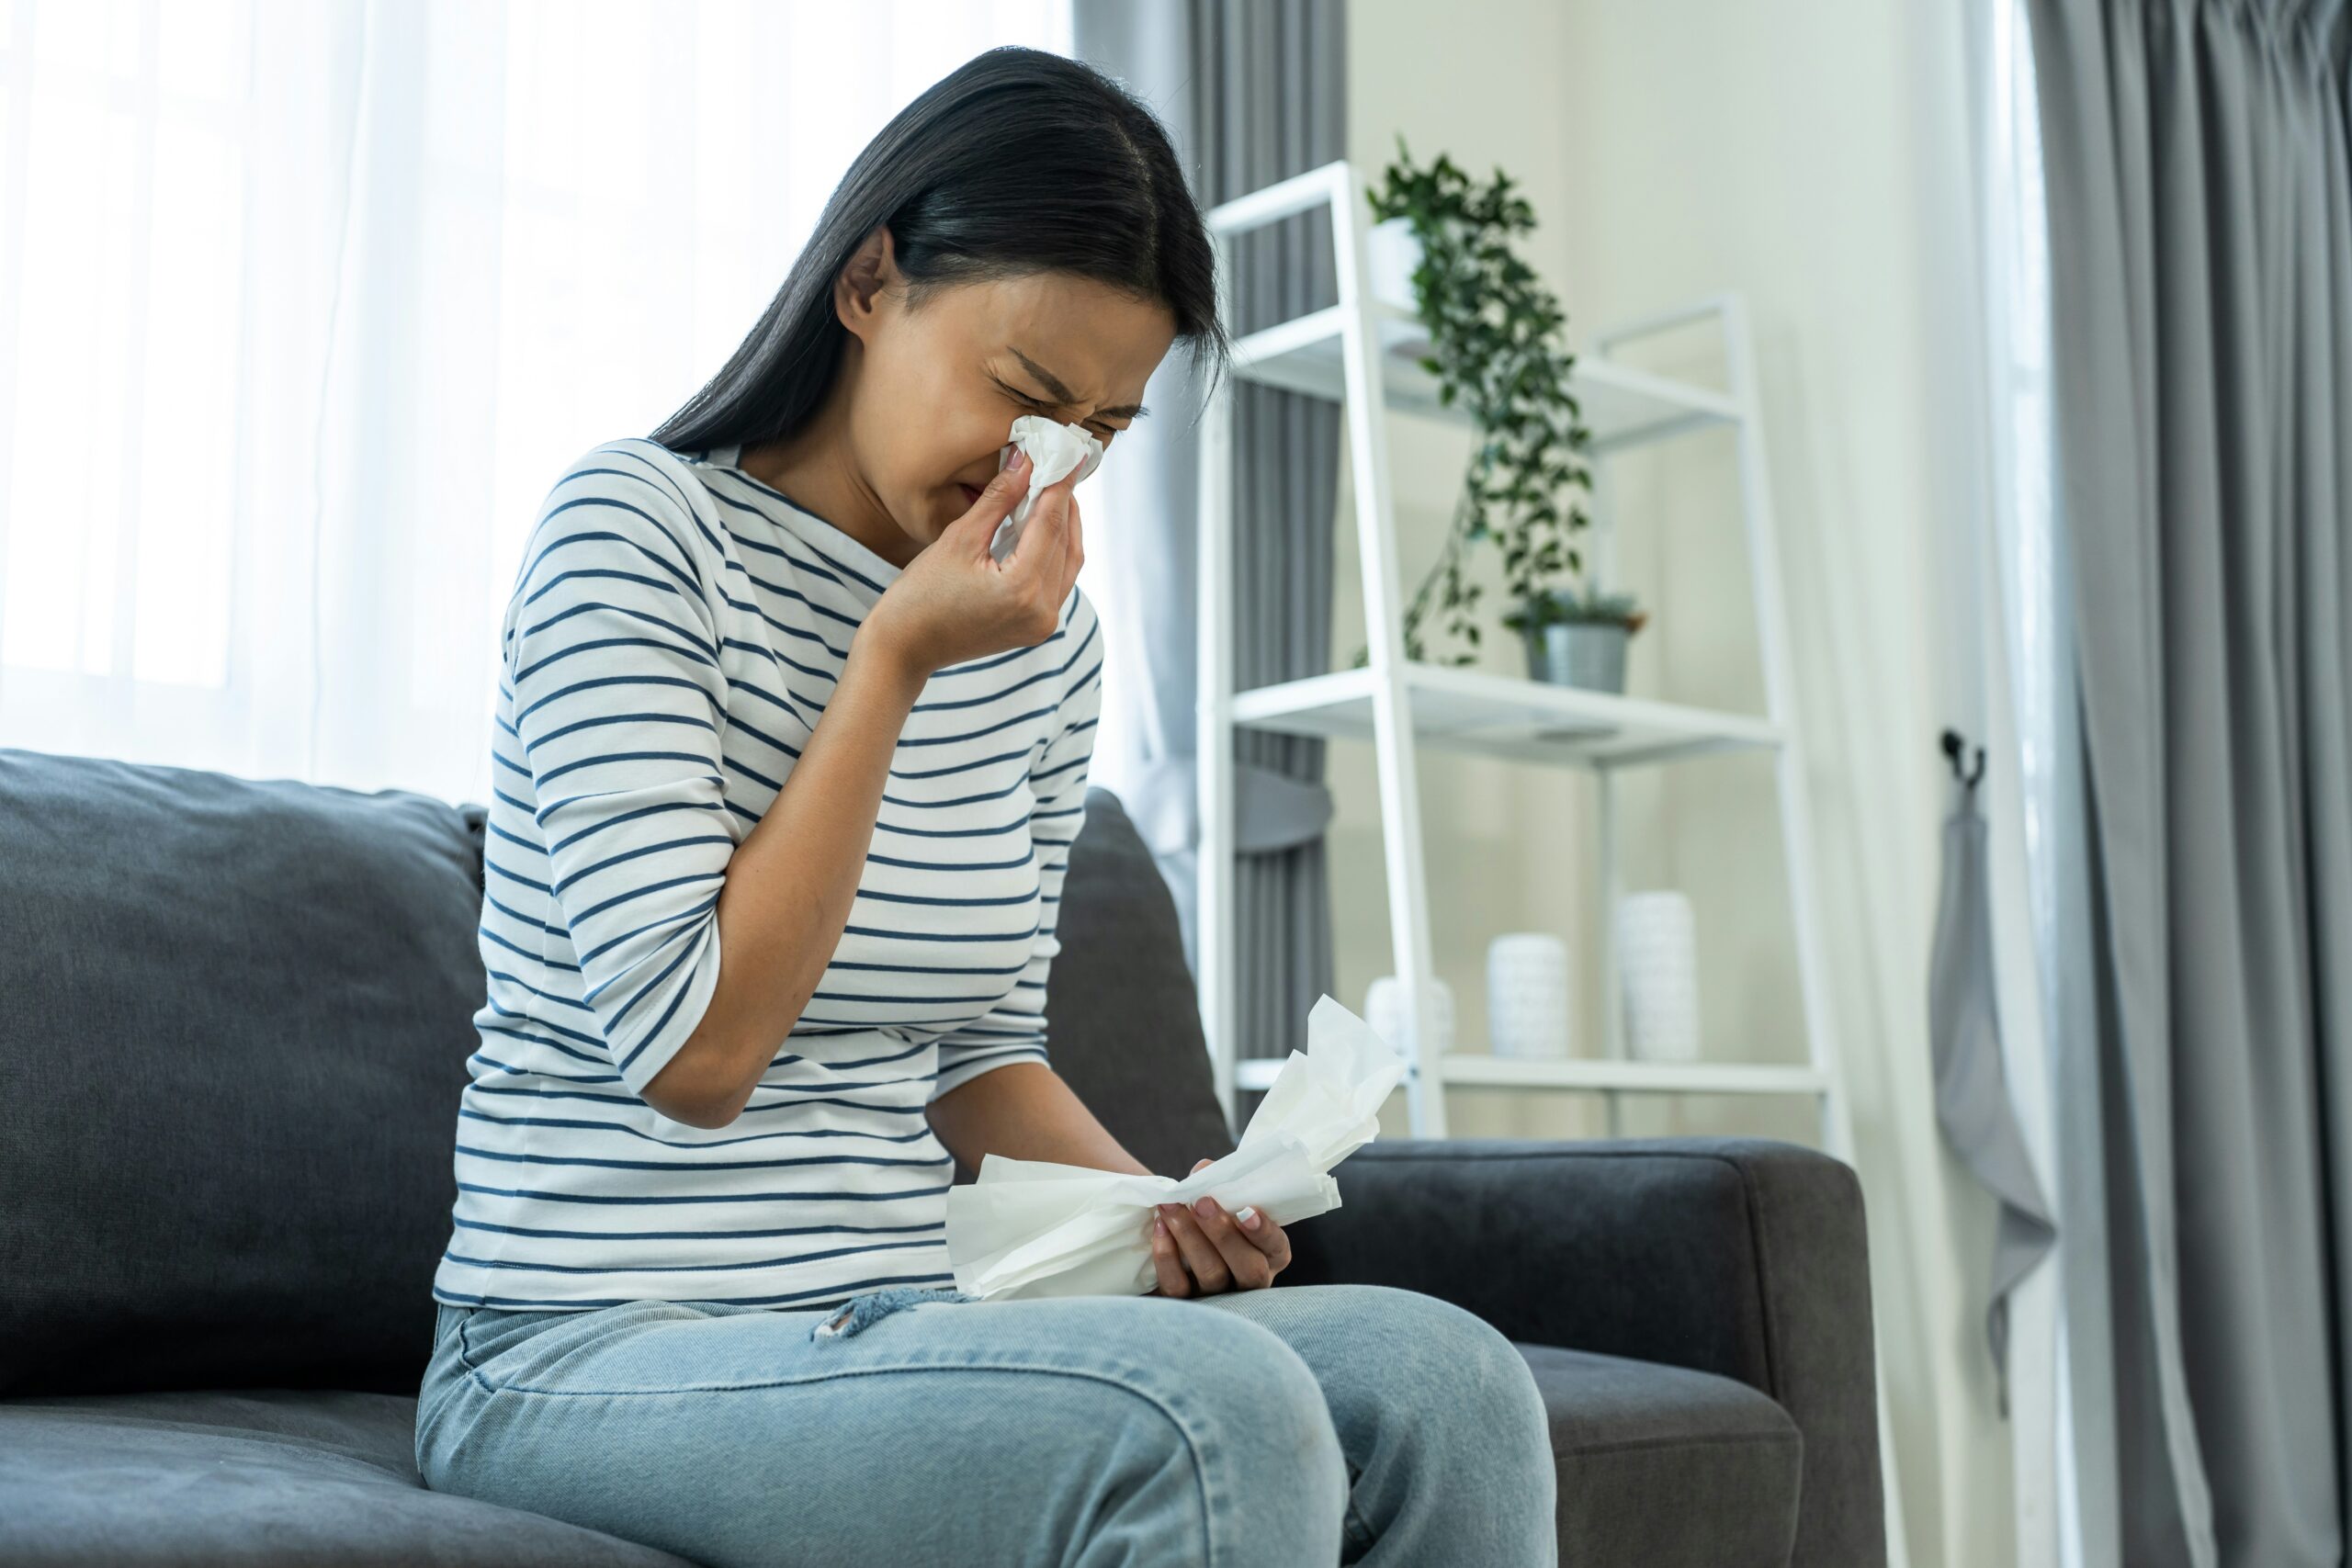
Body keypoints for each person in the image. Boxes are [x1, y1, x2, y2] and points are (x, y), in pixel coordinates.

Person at [413, 43, 1557, 1568]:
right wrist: (890, 659)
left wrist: (1170, 1209)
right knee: (1213, 1427)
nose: (1043, 467)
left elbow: (978, 1051)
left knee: (1449, 1381)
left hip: (893, 1307)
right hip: (584, 1343)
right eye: (1024, 393)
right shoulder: (634, 536)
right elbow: (693, 1055)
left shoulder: (1045, 643)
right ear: (869, 282)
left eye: (1101, 427)